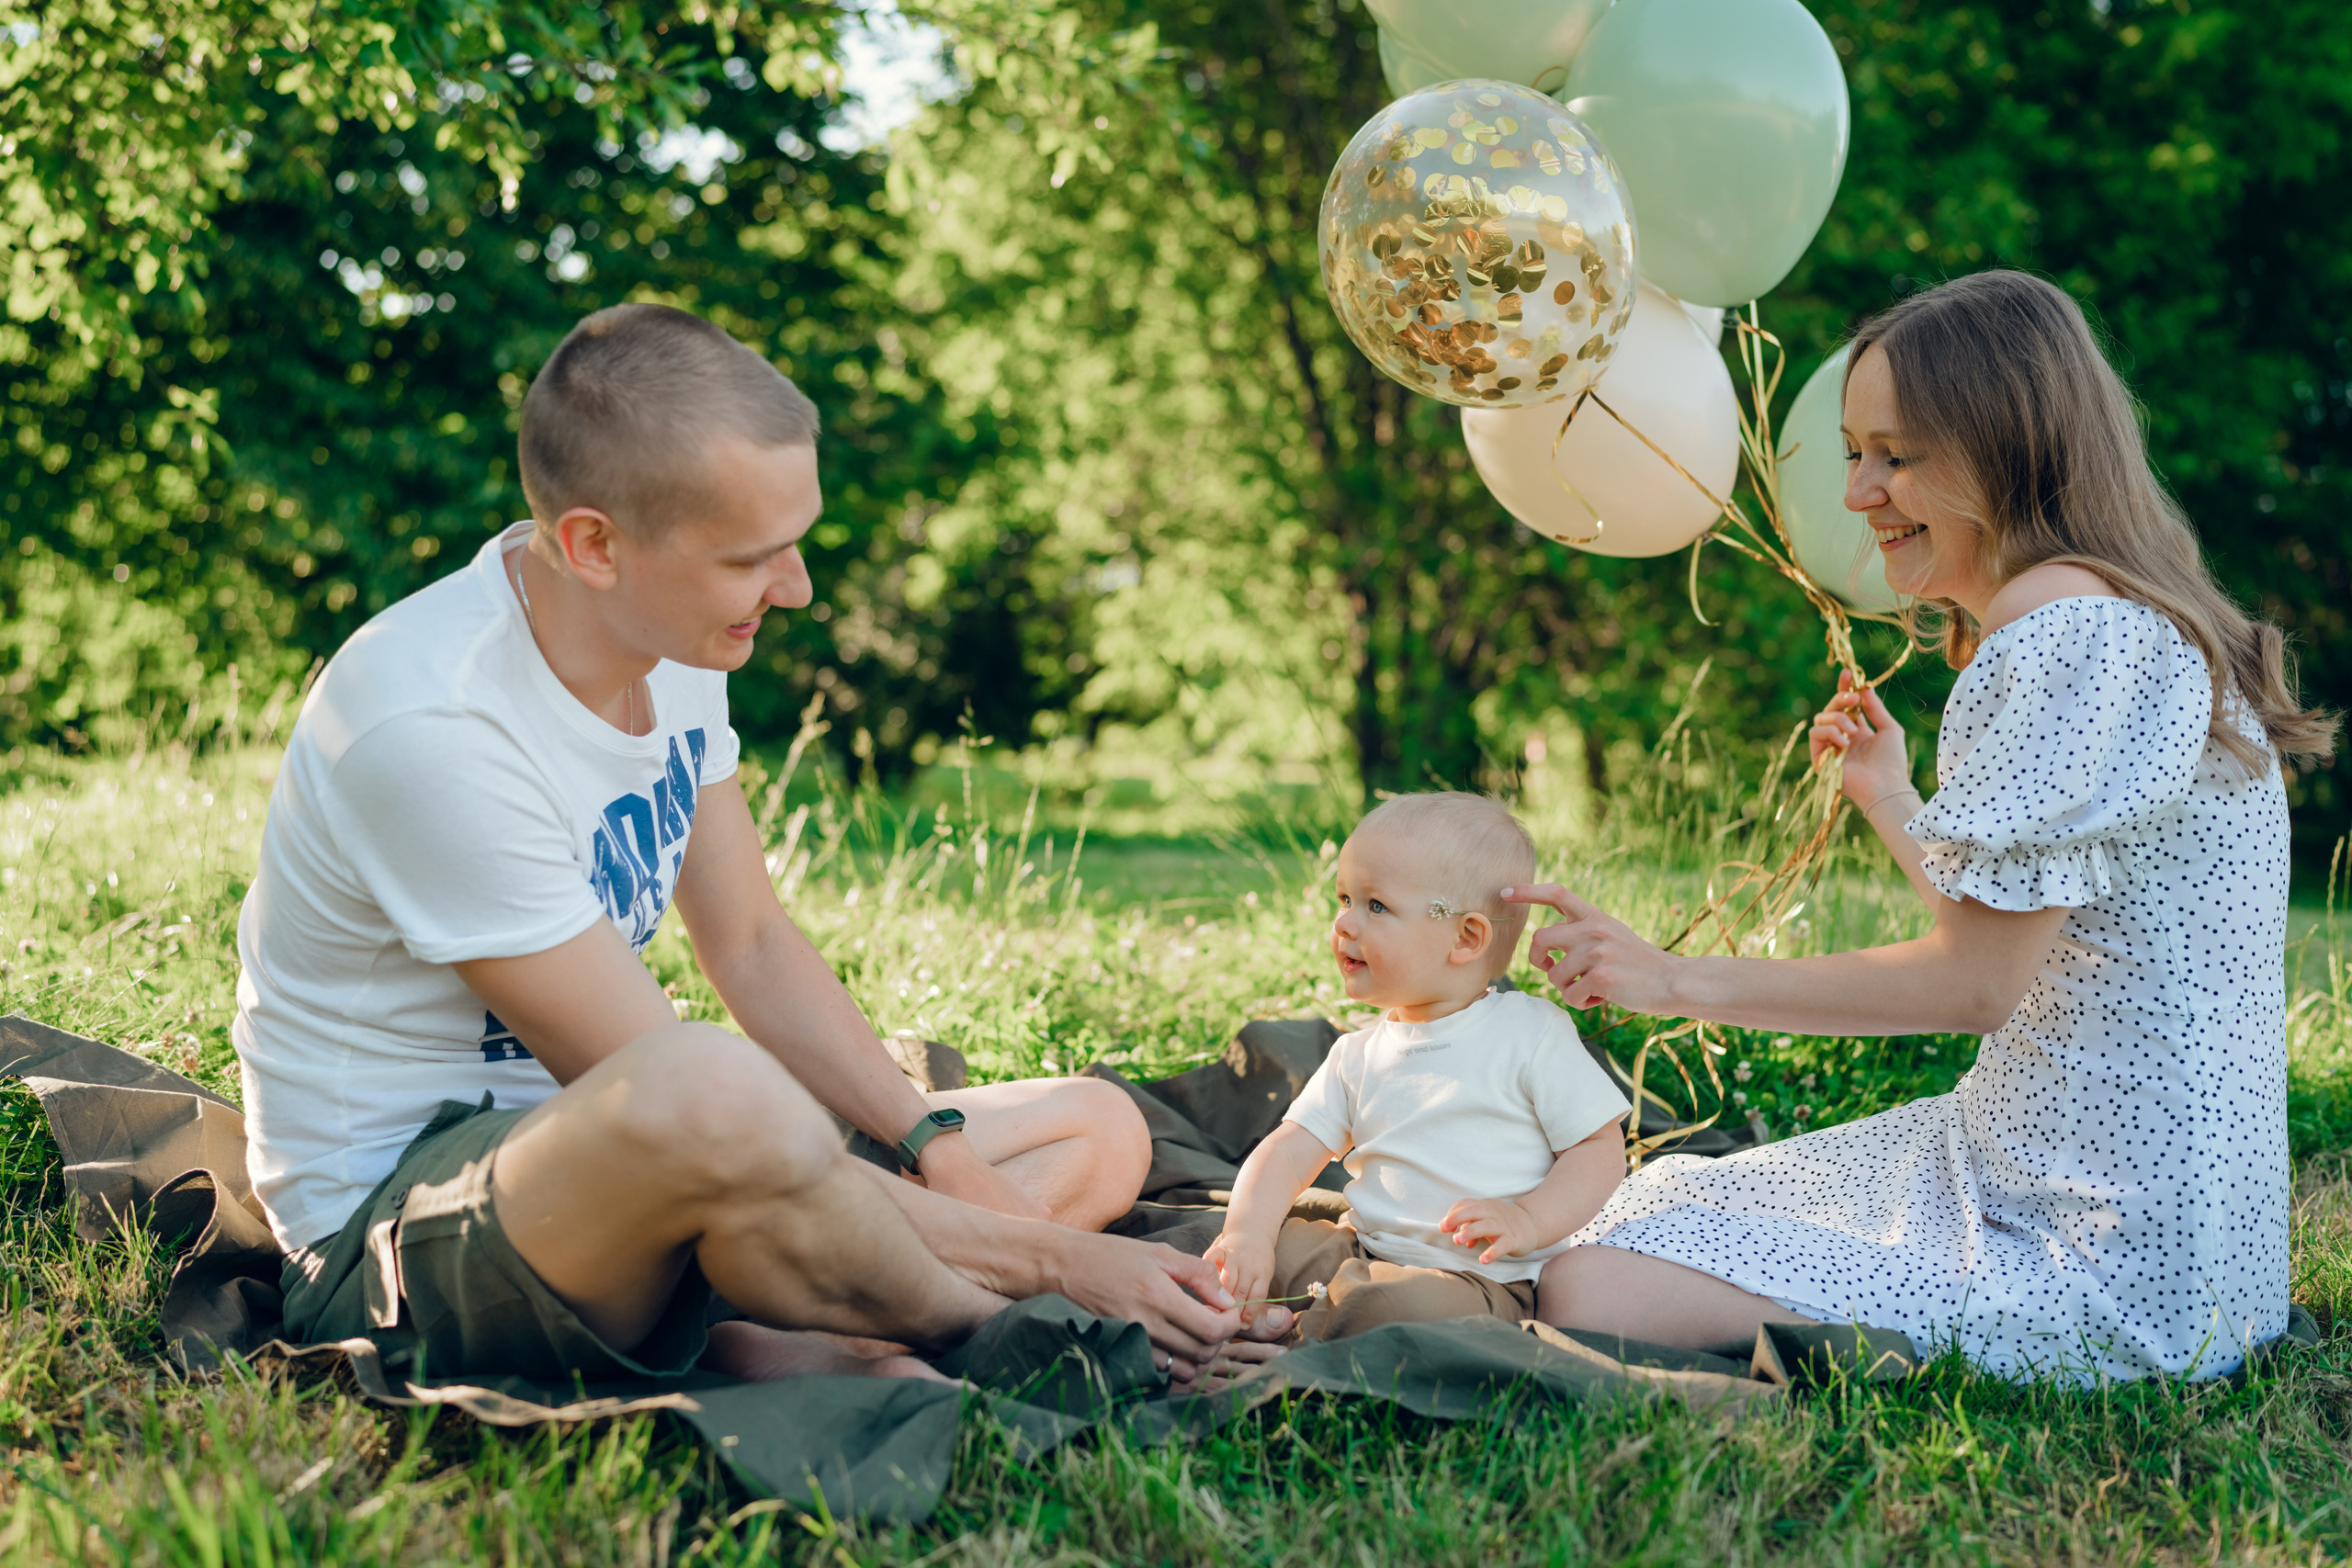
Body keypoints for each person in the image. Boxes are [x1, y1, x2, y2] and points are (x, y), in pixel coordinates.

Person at [232, 302, 1248, 1387]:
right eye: (751, 558)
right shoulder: (428, 728)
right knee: (712, 1085)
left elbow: (751, 941)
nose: (796, 588)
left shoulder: (673, 643)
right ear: (594, 546)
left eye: (793, 541)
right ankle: (982, 1330)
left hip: (652, 1161)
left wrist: (937, 1149)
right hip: (400, 1240)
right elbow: (667, 1091)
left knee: (1095, 1129)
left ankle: (816, 1328)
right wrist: (1055, 1264)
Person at [1509, 270, 2335, 1382]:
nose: (1858, 493)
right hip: (2150, 1234)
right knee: (1649, 1202)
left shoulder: (2061, 632)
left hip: (2099, 1258)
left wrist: (1670, 980)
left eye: (1894, 457)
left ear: (2006, 450)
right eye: (1854, 453)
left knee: (1590, 1282)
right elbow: (2027, 926)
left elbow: (1973, 986)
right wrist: (1889, 796)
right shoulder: (2125, 616)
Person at [1204, 793, 1628, 1346]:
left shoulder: (1530, 1034)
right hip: (1364, 1250)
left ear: (1466, 937)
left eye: (1376, 906)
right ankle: (1283, 1318)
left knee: (1395, 1308)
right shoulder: (1358, 1054)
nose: (1344, 922)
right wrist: (1247, 1234)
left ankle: (1293, 1331)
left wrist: (1528, 1219)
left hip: (1476, 1281)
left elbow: (1598, 1148)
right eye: (1345, 898)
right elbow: (1286, 1152)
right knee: (1264, 1252)